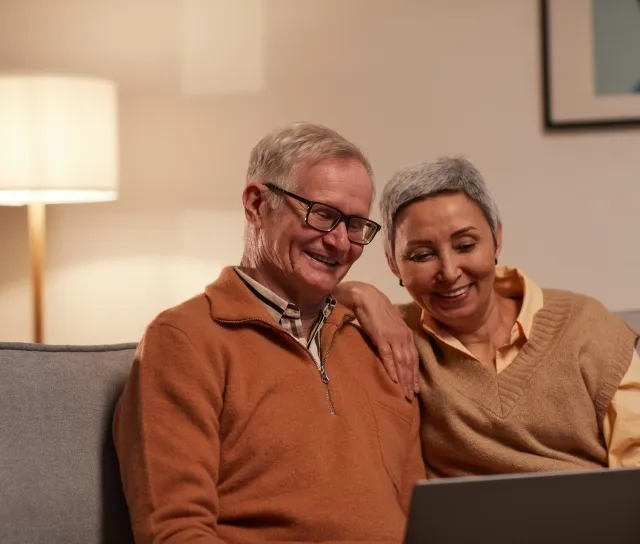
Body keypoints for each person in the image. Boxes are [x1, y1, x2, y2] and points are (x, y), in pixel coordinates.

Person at [113, 122, 425, 544]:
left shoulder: (381, 342)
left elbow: (421, 520)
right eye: (323, 214)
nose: (339, 242)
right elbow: (175, 532)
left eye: (355, 225)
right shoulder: (184, 340)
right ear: (257, 204)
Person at [336, 156, 640, 477]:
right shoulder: (390, 337)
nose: (450, 272)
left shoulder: (585, 323)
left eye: (465, 245)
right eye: (423, 255)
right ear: (394, 265)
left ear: (497, 239)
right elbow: (287, 309)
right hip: (462, 526)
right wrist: (353, 293)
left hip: (592, 519)